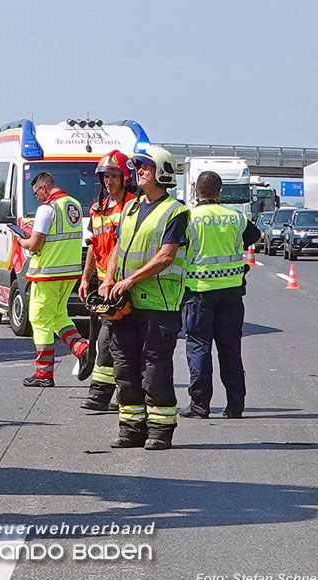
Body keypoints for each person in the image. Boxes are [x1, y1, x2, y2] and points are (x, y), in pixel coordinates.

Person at [99, 145, 188, 450]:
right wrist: (109, 279)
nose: (139, 172)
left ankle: (160, 430)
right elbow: (118, 249)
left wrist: (129, 281)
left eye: (146, 167)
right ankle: (130, 428)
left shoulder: (176, 211)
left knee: (154, 371)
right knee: (124, 369)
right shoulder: (130, 208)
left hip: (158, 305)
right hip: (126, 305)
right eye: (137, 167)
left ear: (162, 171)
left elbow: (166, 256)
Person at [178, 171, 261, 419]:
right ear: (220, 191)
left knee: (199, 347)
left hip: (199, 292)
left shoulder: (188, 217)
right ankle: (235, 405)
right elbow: (253, 236)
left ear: (195, 191)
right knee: (230, 349)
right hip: (232, 292)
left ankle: (199, 405)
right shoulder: (236, 216)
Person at [14, 172, 92, 387]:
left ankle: (43, 374)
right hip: (69, 273)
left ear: (43, 188)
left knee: (39, 321)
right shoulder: (73, 204)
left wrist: (21, 240)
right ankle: (83, 350)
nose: (37, 198)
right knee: (58, 316)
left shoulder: (47, 208)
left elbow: (35, 244)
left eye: (36, 193)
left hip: (47, 273)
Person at [78, 150, 137, 411]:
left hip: (124, 283)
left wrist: (111, 279)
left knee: (115, 341)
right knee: (104, 339)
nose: (108, 181)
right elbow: (93, 246)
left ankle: (111, 395)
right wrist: (85, 278)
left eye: (113, 176)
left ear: (125, 177)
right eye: (105, 177)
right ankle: (101, 396)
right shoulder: (97, 208)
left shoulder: (132, 206)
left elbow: (121, 245)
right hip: (103, 283)